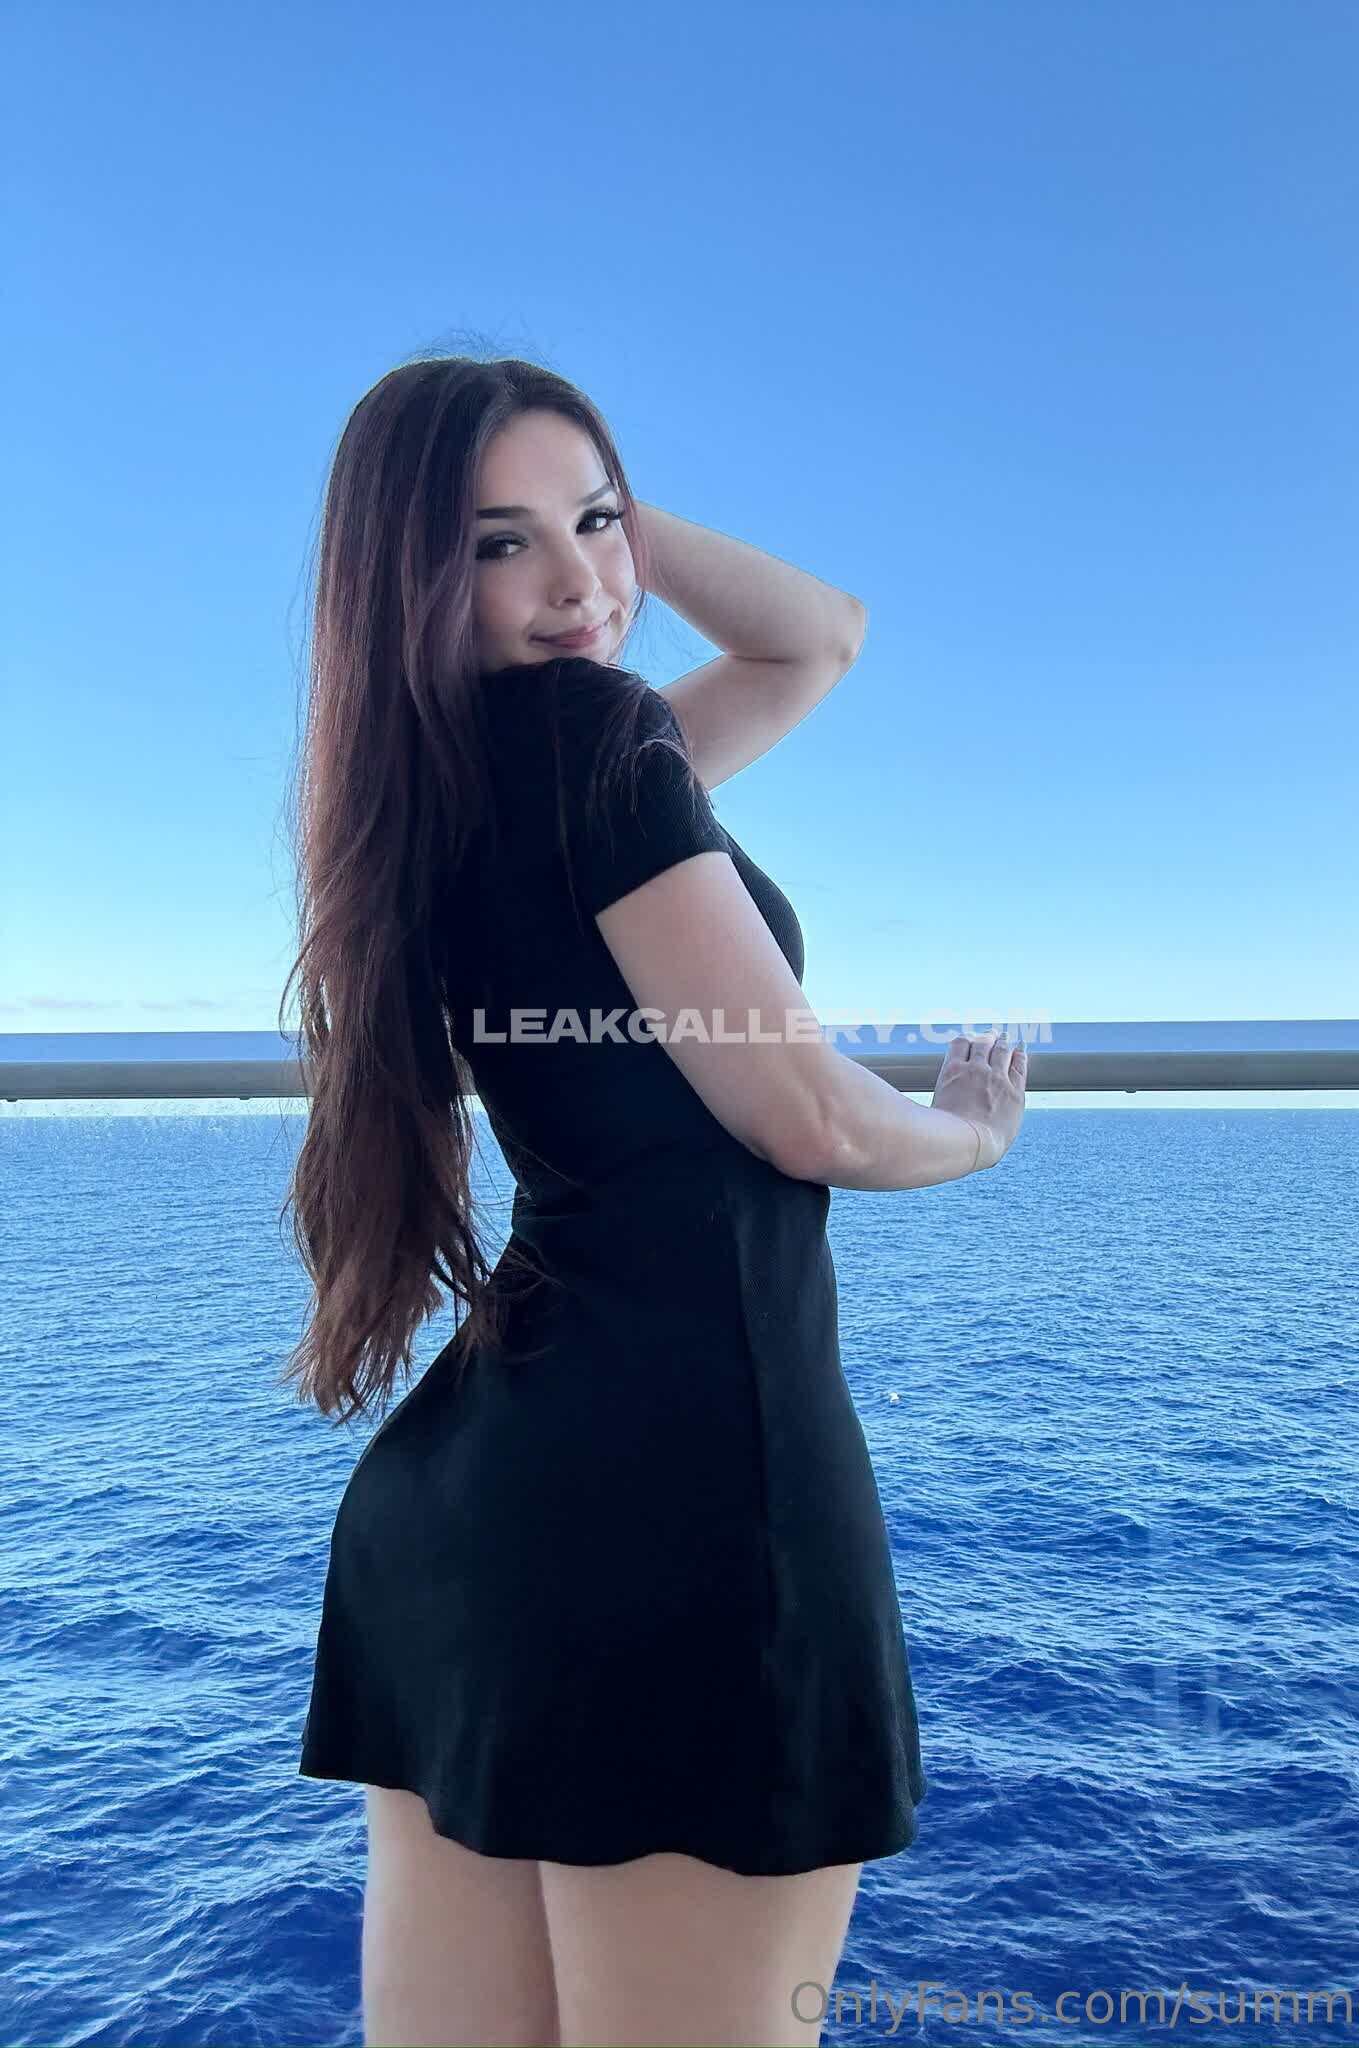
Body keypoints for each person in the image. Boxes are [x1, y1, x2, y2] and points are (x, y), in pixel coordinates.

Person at [281, 354, 1029, 2048]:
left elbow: (815, 640)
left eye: (595, 525)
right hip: (683, 1502)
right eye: (496, 545)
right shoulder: (599, 742)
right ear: (409, 575)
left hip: (477, 1500)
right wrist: (970, 1131)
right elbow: (810, 1117)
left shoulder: (439, 786)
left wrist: (597, 529)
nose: (577, 585)